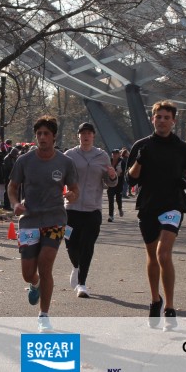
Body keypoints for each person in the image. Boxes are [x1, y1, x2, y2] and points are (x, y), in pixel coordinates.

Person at [127, 101, 186, 329]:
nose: (162, 121)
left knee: (163, 254)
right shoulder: (141, 145)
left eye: (166, 117)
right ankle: (155, 300)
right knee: (152, 256)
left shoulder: (182, 147)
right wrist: (139, 160)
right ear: (153, 119)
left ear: (173, 121)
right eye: (158, 117)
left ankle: (169, 307)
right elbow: (131, 179)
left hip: (173, 205)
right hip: (148, 205)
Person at [7, 115, 79, 331]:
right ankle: (35, 283)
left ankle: (44, 315)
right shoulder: (24, 161)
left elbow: (75, 189)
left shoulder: (65, 162)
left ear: (54, 136)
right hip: (29, 220)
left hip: (55, 219)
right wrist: (15, 204)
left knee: (45, 264)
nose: (42, 137)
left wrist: (72, 195)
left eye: (46, 133)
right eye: (39, 133)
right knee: (28, 273)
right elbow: (12, 187)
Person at [64, 121, 117, 298]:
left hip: (92, 209)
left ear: (93, 136)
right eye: (83, 133)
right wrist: (64, 192)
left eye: (89, 133)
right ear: (78, 136)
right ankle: (76, 266)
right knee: (70, 244)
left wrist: (112, 176)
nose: (86, 136)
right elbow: (61, 178)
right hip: (71, 208)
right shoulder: (69, 155)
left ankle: (82, 284)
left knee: (87, 246)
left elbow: (110, 183)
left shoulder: (102, 156)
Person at [106, 148, 125, 221]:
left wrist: (118, 173)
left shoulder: (122, 162)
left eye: (116, 154)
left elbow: (124, 172)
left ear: (119, 154)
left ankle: (120, 208)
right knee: (110, 199)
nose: (114, 155)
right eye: (113, 153)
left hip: (119, 182)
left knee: (118, 198)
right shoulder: (109, 161)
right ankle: (111, 216)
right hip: (111, 182)